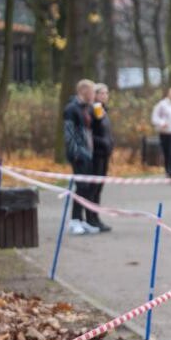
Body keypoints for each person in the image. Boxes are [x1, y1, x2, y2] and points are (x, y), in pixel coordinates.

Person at [63, 79, 98, 236]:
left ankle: (83, 219)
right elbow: (69, 134)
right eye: (92, 92)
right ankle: (75, 220)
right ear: (84, 91)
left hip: (89, 154)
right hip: (79, 155)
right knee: (81, 187)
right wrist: (77, 153)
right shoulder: (71, 109)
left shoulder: (88, 108)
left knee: (88, 188)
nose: (94, 95)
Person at [87, 83, 114, 233]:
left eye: (106, 93)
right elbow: (90, 133)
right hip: (96, 154)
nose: (105, 96)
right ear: (95, 95)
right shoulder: (93, 110)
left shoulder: (103, 110)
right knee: (93, 188)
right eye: (101, 93)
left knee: (99, 189)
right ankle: (90, 218)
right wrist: (103, 142)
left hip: (105, 154)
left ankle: (96, 217)